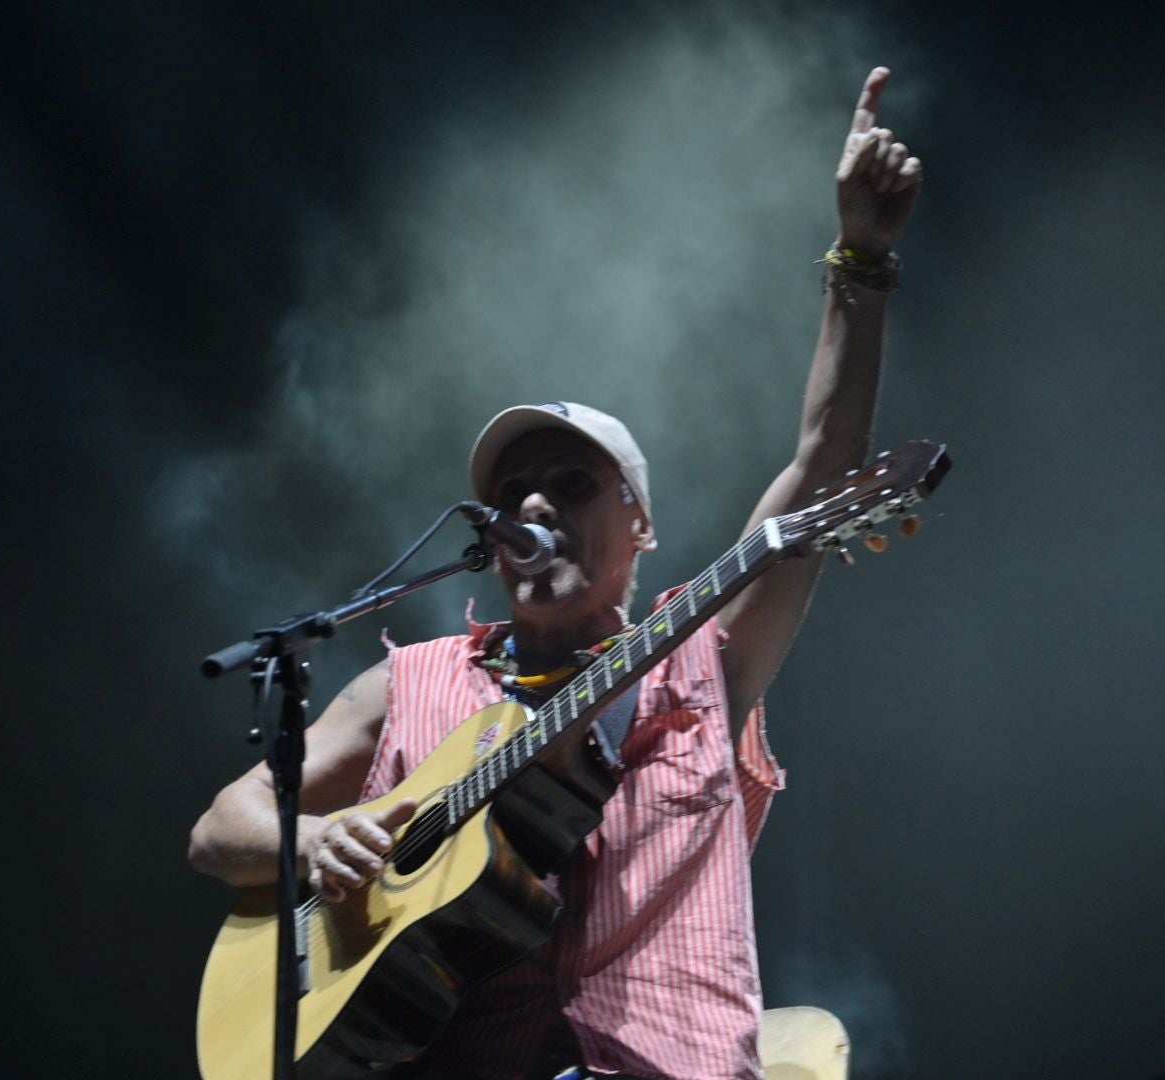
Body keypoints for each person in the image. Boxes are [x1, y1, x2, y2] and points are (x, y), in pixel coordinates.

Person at [189, 67, 923, 1080]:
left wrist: (864, 257)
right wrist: (308, 846)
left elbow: (820, 469)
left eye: (571, 484)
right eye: (511, 494)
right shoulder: (413, 684)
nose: (533, 505)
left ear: (642, 527)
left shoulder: (699, 665)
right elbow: (221, 824)